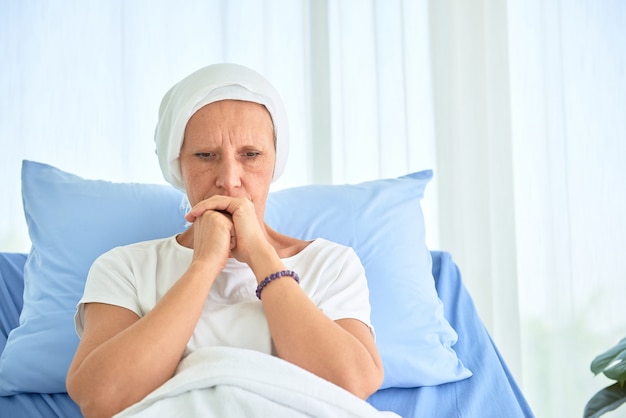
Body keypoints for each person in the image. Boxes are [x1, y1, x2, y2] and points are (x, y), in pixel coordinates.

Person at [66, 63, 384, 418]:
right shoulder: (124, 267)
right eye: (205, 155)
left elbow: (353, 385)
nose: (229, 180)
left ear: (275, 161)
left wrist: (262, 257)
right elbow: (101, 399)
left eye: (251, 155)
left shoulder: (331, 264)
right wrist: (204, 265)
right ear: (178, 165)